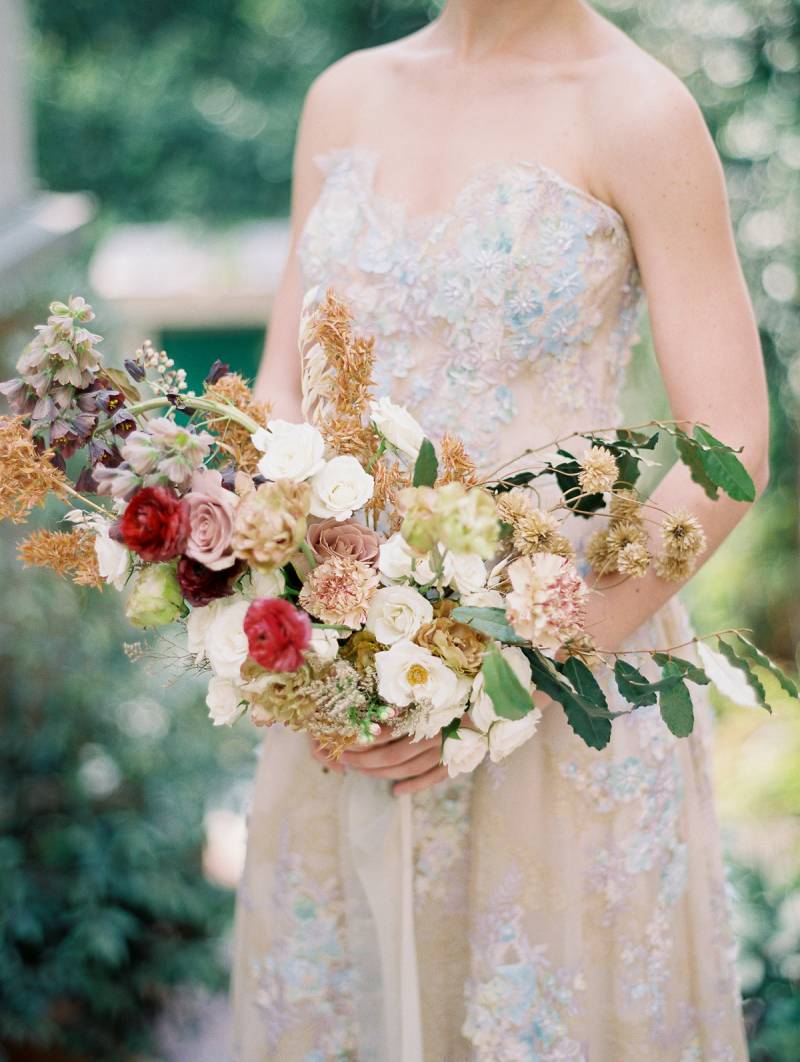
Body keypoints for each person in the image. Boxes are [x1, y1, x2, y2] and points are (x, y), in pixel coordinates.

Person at [232, 1, 769, 1058]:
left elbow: (732, 445)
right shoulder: (341, 95)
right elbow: (279, 383)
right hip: (349, 693)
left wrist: (507, 674)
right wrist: (290, 573)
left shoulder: (637, 110)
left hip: (562, 682)